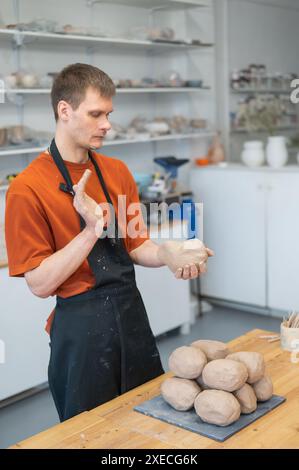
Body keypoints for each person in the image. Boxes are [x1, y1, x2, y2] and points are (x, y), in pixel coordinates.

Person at [5, 63, 213, 421]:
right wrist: (90, 231)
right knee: (92, 433)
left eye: (109, 114)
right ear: (64, 111)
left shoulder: (116, 172)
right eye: (96, 114)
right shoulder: (27, 188)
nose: (107, 124)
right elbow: (39, 283)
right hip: (81, 335)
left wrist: (167, 250)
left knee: (149, 423)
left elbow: (135, 246)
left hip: (132, 319)